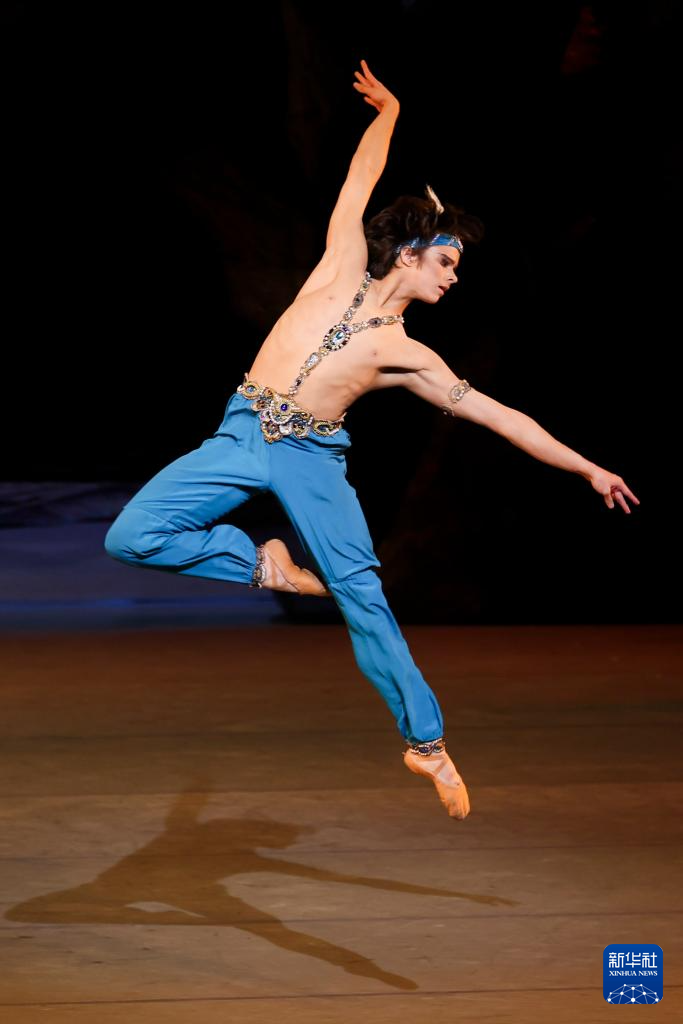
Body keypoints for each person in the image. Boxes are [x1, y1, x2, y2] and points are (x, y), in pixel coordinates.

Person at [104, 60, 640, 821]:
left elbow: (501, 416)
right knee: (131, 537)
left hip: (310, 458)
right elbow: (360, 179)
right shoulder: (340, 265)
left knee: (363, 598)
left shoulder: (409, 354)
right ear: (411, 251)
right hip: (241, 430)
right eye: (446, 262)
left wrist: (586, 467)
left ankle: (425, 742)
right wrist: (388, 113)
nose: (453, 277)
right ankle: (265, 566)